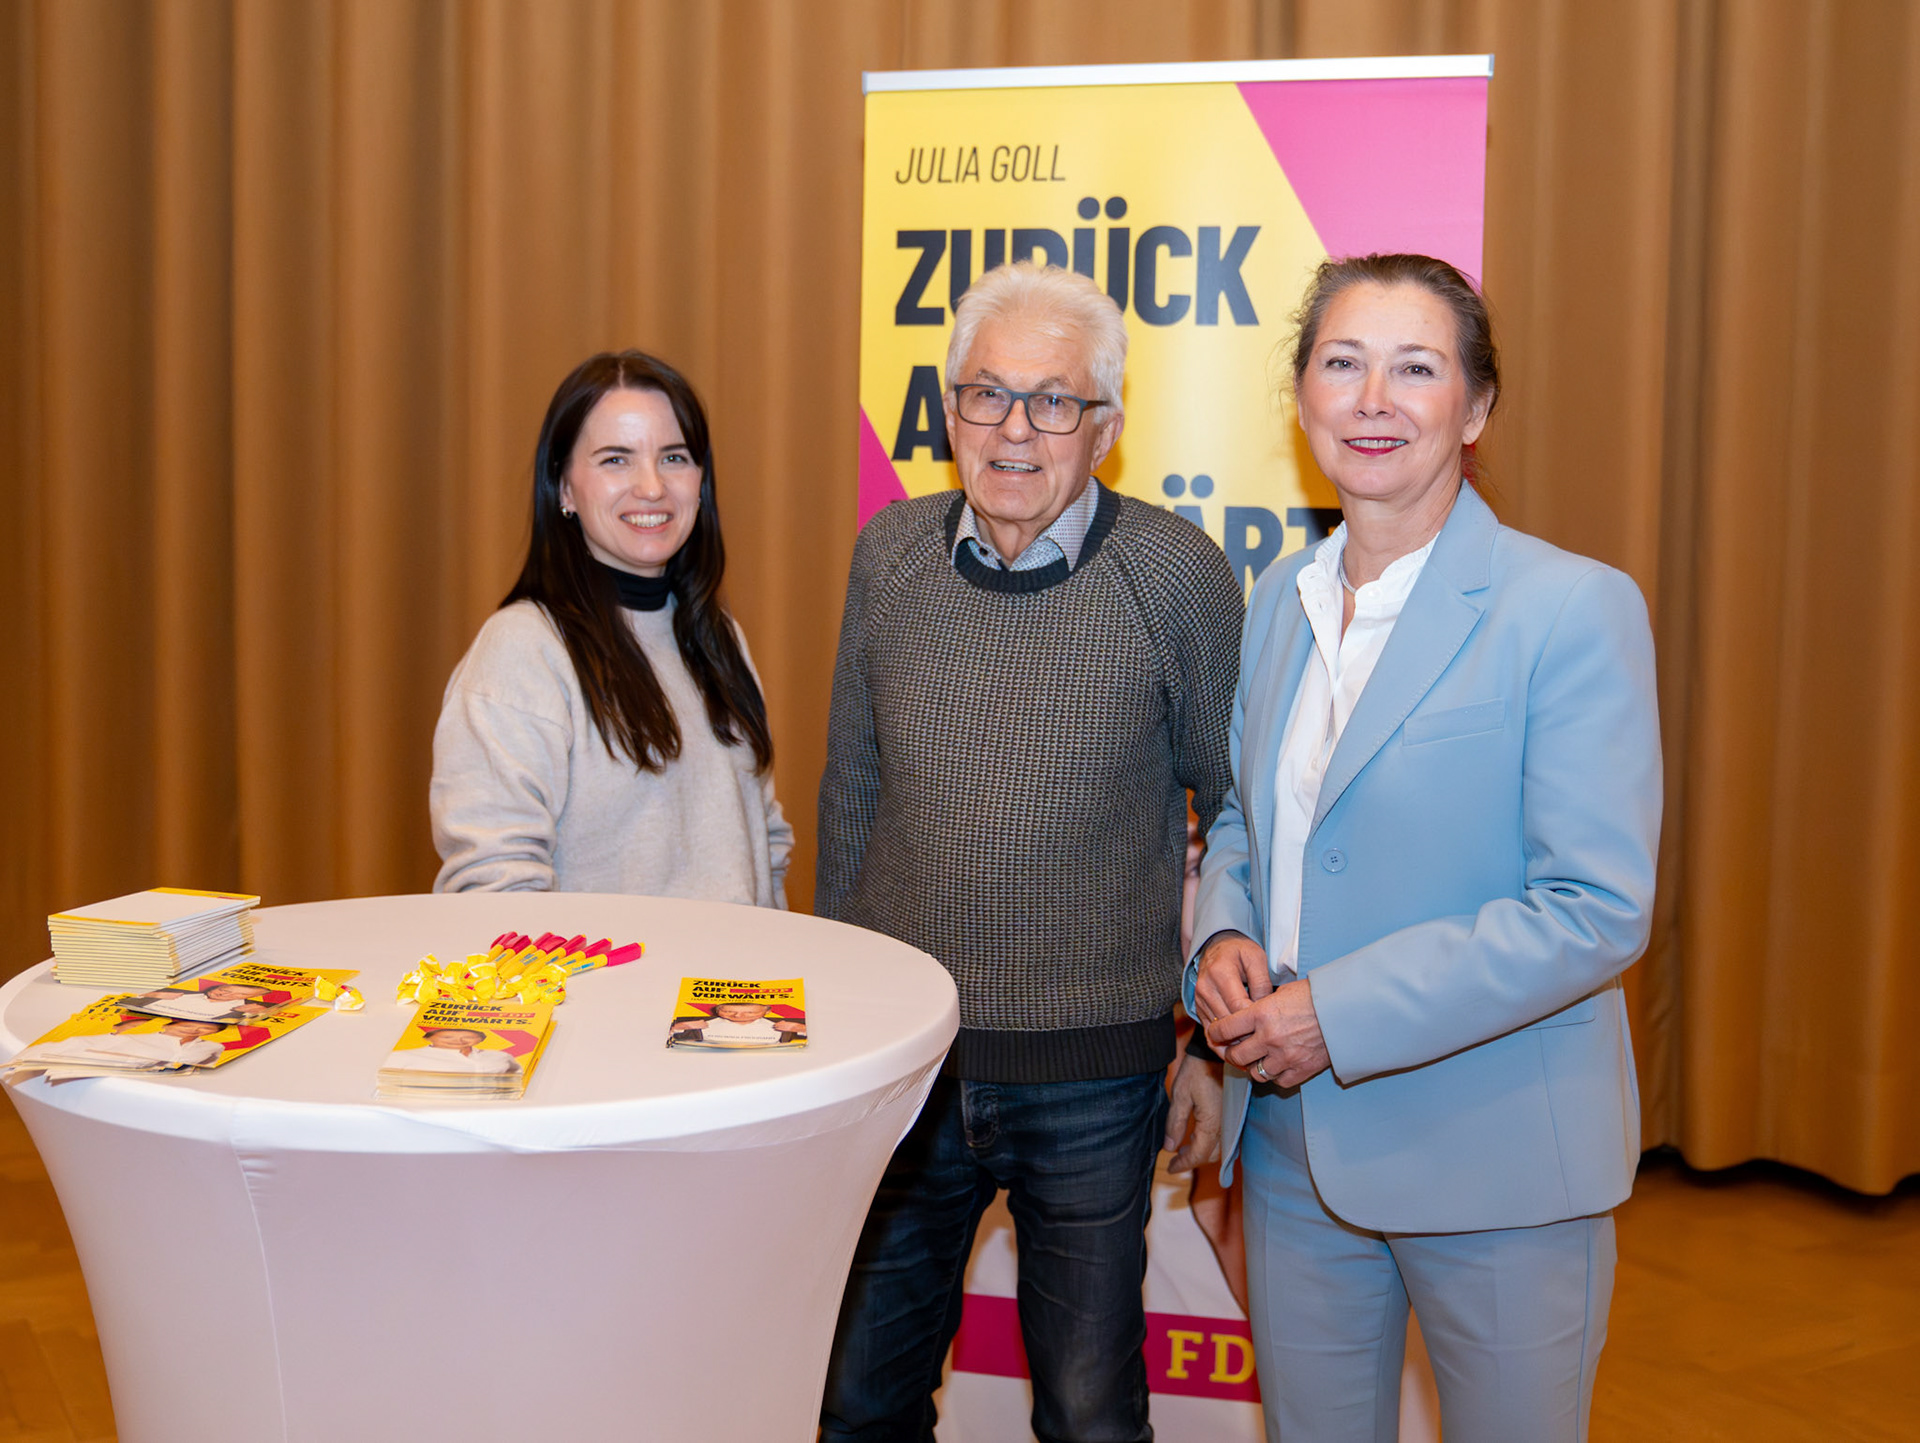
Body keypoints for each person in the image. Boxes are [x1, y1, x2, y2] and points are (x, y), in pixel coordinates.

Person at [1188, 253, 1661, 1442]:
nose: (1373, 399)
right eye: (1341, 365)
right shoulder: (1278, 602)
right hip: (1296, 1150)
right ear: (1302, 400)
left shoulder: (1569, 608)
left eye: (1416, 368)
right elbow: (1250, 816)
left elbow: (1592, 906)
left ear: (1478, 406)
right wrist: (1225, 931)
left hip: (1500, 1158)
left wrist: (1329, 1014)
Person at [817, 261, 1245, 1441]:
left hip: (1095, 1080)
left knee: (1093, 1417)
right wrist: (840, 1034)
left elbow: (1240, 811)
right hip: (908, 1073)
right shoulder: (888, 557)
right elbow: (851, 792)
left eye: (1053, 400)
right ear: (947, 410)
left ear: (1104, 427)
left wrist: (1214, 1049)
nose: (1014, 429)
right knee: (859, 1403)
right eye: (985, 395)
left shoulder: (1178, 575)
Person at [431, 350, 792, 905]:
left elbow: (763, 846)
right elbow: (494, 886)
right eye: (615, 460)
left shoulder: (718, 637)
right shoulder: (523, 650)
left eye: (674, 457)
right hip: (602, 991)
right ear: (565, 489)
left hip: (728, 992)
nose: (651, 486)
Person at [20, 1017, 227, 1070]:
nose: (193, 1029)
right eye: (189, 1024)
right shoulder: (122, 1035)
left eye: (205, 1029)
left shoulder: (201, 1047)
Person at [382, 1027, 520, 1075]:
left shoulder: (499, 1056)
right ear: (429, 1038)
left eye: (468, 1037)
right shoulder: (403, 1056)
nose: (458, 1041)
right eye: (447, 1037)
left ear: (480, 1039)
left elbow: (517, 1076)